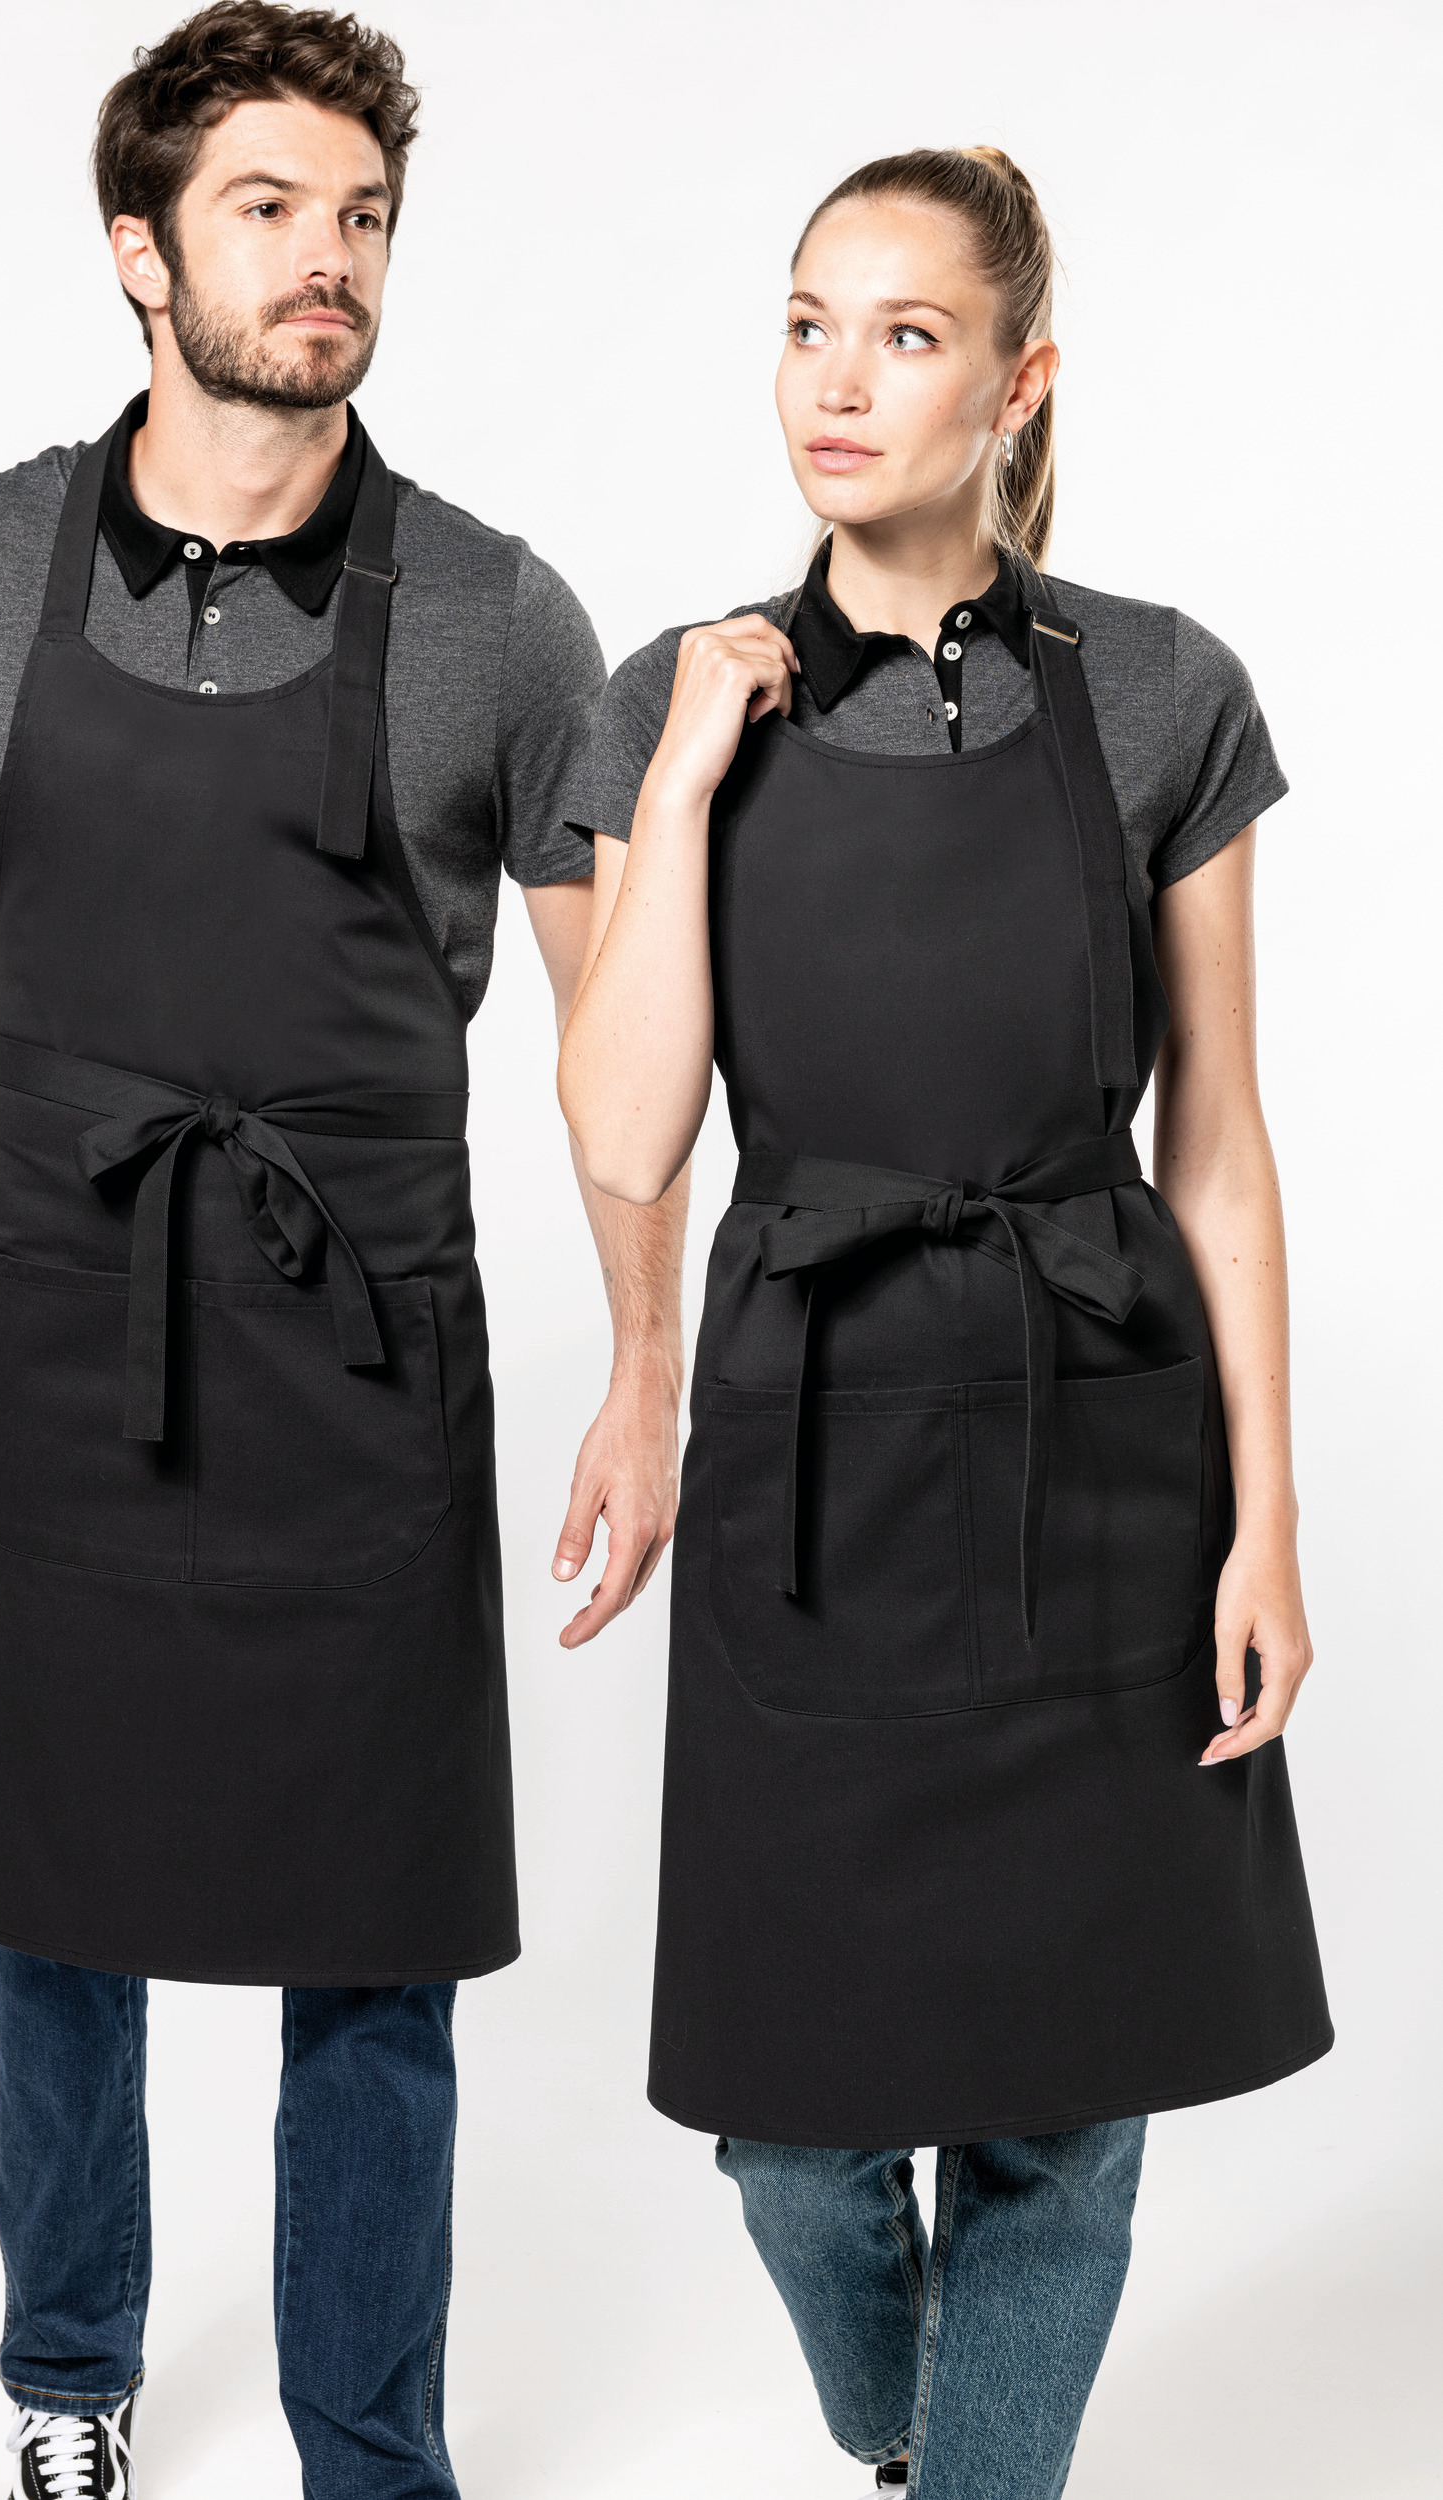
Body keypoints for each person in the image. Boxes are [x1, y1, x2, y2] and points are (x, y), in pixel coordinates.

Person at [0, 7, 685, 2495]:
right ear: (139, 250)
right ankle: (67, 2377)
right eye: (268, 209)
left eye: (361, 217)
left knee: (378, 1932)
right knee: (52, 1902)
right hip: (73, 1308)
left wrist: (647, 1358)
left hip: (366, 1347)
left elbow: (616, 1039)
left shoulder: (496, 616)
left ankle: (367, 2449)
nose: (330, 260)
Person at [560, 146, 1330, 2497]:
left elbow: (1215, 1139)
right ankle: (913, 2425)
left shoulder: (1160, 692)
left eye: (903, 335)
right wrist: (684, 771)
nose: (835, 379)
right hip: (804, 1457)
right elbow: (624, 1123)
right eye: (807, 322)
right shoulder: (667, 697)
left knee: (1061, 2116)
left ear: (1017, 384)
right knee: (790, 2128)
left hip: (1095, 1444)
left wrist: (1265, 1519)